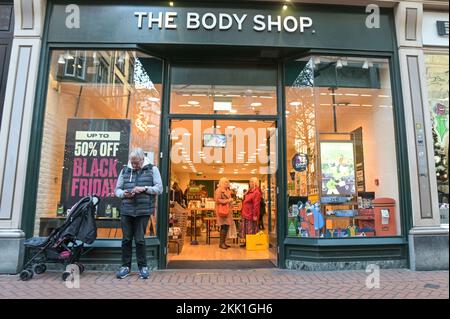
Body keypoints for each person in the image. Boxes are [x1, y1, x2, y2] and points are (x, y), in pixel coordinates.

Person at [114, 148, 163, 279]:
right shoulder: (125, 170)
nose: (134, 165)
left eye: (137, 162)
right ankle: (125, 267)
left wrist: (145, 188)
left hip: (143, 211)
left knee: (140, 239)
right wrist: (124, 194)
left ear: (142, 159)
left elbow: (159, 188)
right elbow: (117, 190)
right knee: (126, 239)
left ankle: (143, 267)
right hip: (127, 210)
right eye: (133, 162)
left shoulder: (153, 169)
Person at [240, 177, 262, 247]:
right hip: (245, 213)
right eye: (250, 182)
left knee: (251, 229)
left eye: (252, 182)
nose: (250, 183)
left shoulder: (256, 192)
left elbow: (256, 205)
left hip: (250, 214)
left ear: (256, 183)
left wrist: (255, 215)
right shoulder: (249, 191)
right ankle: (246, 242)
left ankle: (251, 243)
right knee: (246, 229)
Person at [214, 177, 233, 249]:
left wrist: (230, 201)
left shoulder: (227, 190)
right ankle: (221, 243)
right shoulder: (218, 190)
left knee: (226, 226)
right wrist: (228, 200)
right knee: (223, 226)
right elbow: (217, 200)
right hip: (222, 211)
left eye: (227, 182)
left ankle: (223, 242)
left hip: (227, 211)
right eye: (225, 182)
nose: (227, 183)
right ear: (221, 183)